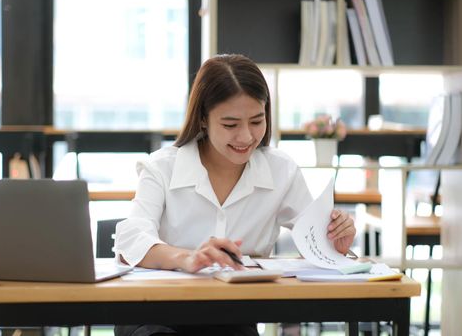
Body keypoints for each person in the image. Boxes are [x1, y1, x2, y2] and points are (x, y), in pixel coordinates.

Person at [114, 54, 356, 336]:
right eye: (230, 125)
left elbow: (314, 237)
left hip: (231, 316)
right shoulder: (162, 167)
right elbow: (130, 239)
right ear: (203, 119)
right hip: (155, 311)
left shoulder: (281, 170)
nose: (246, 137)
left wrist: (334, 242)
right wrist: (187, 258)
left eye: (256, 121)